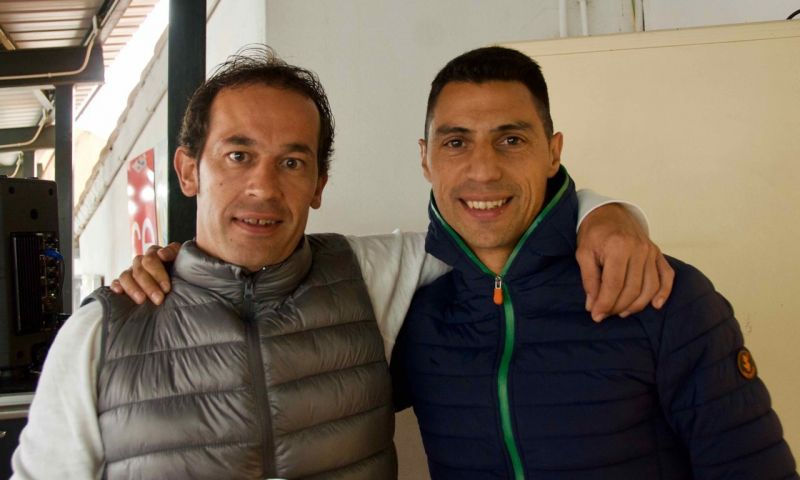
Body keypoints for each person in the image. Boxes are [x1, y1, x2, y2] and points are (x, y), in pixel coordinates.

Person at [12, 48, 670, 479]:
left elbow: (493, 223)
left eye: (292, 161)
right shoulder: (100, 335)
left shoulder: (369, 275)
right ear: (189, 171)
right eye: (238, 156)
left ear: (320, 184)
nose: (264, 187)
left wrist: (605, 213)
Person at [389, 46, 798, 479]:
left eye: (511, 140)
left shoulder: (664, 294)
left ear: (553, 153)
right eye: (456, 142)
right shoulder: (413, 317)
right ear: (425, 159)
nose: (484, 170)